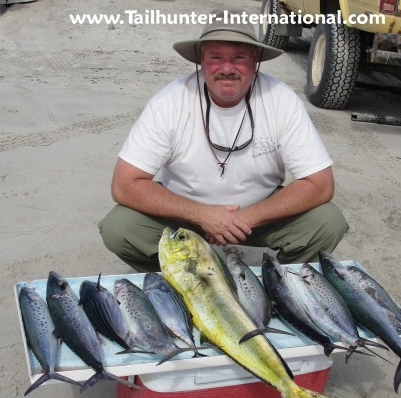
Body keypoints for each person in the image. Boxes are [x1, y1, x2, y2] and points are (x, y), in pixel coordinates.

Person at [99, 9, 348, 273]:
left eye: (239, 58)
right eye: (216, 57)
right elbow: (124, 185)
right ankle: (180, 276)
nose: (227, 69)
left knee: (327, 222)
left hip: (259, 214)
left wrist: (244, 217)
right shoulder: (168, 102)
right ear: (201, 60)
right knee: (119, 228)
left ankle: (284, 283)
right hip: (184, 215)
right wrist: (203, 215)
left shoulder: (282, 99)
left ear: (255, 60)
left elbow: (320, 184)